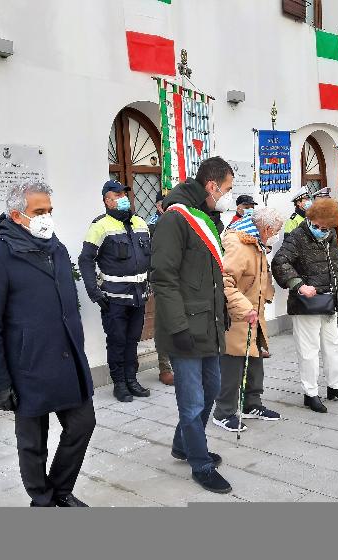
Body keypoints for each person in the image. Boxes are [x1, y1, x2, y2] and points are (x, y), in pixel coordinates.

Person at [0, 182, 95, 507]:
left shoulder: (57, 249)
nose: (47, 218)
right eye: (39, 212)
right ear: (16, 215)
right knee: (32, 443)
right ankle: (42, 501)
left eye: (49, 211)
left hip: (67, 361)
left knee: (83, 424)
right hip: (27, 368)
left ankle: (60, 490)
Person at [151, 156, 250, 494]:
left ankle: (183, 444)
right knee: (192, 401)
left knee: (210, 391)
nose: (227, 195)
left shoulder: (205, 218)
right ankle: (200, 464)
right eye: (226, 189)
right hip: (185, 329)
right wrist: (178, 328)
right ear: (211, 186)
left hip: (209, 325)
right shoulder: (176, 219)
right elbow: (163, 279)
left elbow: (210, 277)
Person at [271, 198, 338, 413]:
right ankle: (310, 393)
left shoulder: (331, 235)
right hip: (307, 303)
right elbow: (280, 262)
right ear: (310, 219)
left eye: (325, 227)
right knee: (309, 350)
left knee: (332, 347)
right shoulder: (298, 236)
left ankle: (334, 386)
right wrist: (298, 285)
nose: (321, 230)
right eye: (317, 226)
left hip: (329, 300)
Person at [79, 180, 151, 402]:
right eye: (117, 195)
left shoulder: (140, 222)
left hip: (139, 296)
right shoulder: (100, 226)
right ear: (107, 201)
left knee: (132, 340)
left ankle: (132, 379)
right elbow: (86, 260)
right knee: (117, 340)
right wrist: (94, 292)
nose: (123, 198)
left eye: (124, 194)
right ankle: (119, 383)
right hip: (115, 298)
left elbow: (150, 255)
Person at [212, 208, 284, 432]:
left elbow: (260, 275)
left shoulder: (255, 243)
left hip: (254, 314)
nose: (275, 235)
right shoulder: (238, 245)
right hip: (237, 315)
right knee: (233, 365)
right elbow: (224, 281)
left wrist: (267, 295)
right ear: (266, 228)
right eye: (275, 231)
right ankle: (223, 412)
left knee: (255, 363)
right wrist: (244, 308)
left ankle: (252, 404)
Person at [147, 191, 174, 386]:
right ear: (158, 206)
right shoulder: (150, 226)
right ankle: (165, 367)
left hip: (180, 279)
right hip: (162, 281)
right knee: (164, 324)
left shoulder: (180, 222)